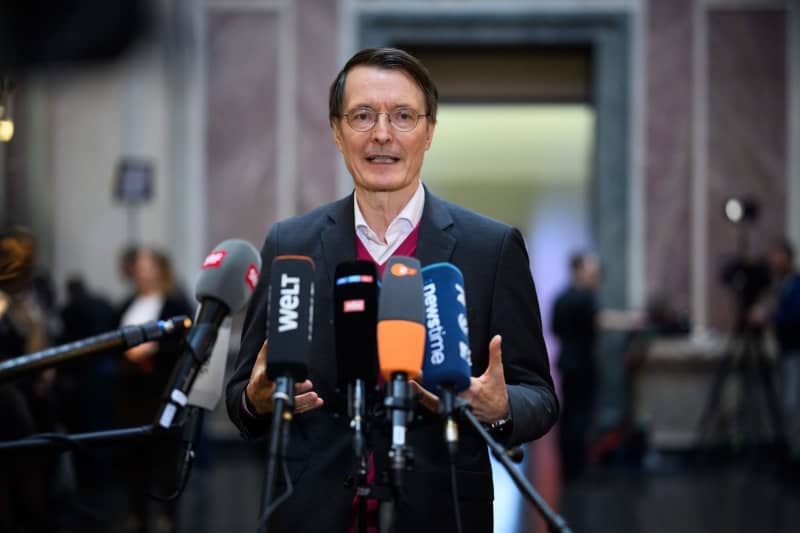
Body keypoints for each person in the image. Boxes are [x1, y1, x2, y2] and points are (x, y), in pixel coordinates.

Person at [225, 48, 558, 533]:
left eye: (403, 116)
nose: (382, 134)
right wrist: (255, 401)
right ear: (337, 132)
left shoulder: (491, 248)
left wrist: (501, 407)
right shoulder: (289, 243)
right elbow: (241, 396)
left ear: (429, 131)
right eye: (363, 116)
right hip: (309, 512)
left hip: (442, 512)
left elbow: (540, 397)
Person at [114, 247, 192, 533]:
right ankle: (137, 513)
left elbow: (185, 344)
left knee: (165, 458)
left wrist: (153, 350)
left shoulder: (174, 304)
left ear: (160, 268)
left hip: (161, 390)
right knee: (134, 458)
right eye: (139, 265)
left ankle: (167, 516)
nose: (142, 271)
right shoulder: (127, 304)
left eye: (148, 265)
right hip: (131, 393)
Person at [552, 253, 600, 481]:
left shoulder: (560, 298)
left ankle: (567, 466)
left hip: (566, 362)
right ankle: (578, 467)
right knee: (580, 415)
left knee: (570, 413)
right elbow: (595, 323)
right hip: (582, 363)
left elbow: (554, 328)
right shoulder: (585, 299)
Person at [766, 239, 800, 470]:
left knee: (793, 403)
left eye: (778, 255)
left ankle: (796, 455)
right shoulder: (782, 285)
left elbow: (794, 318)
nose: (773, 261)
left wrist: (770, 317)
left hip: (795, 352)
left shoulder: (795, 285)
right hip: (787, 352)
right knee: (789, 403)